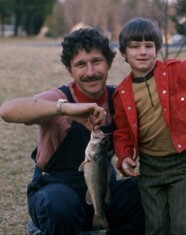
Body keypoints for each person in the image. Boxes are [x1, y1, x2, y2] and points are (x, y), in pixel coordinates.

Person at [0, 28, 145, 235]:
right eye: (80, 64)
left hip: (99, 191)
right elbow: (6, 111)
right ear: (70, 70)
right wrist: (65, 108)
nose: (90, 72)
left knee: (145, 190)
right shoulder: (60, 97)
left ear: (109, 63)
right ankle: (44, 226)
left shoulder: (119, 99)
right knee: (60, 206)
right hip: (54, 191)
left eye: (96, 61)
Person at [112, 17, 186, 235]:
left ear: (157, 49)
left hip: (180, 165)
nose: (142, 51)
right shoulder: (121, 94)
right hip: (149, 167)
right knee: (155, 226)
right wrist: (124, 156)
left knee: (180, 227)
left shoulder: (174, 71)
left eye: (149, 46)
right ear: (123, 53)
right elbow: (121, 133)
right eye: (135, 46)